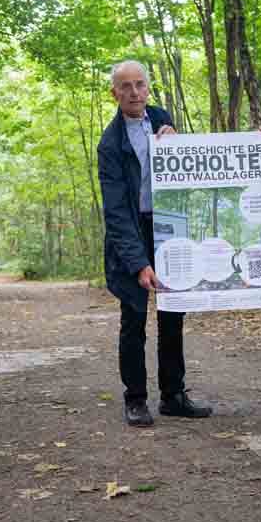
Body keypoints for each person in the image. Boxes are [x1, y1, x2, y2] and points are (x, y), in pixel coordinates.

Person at [97, 60, 213, 427]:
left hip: (167, 227)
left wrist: (177, 142)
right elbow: (115, 211)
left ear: (148, 88)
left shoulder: (162, 118)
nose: (133, 92)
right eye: (125, 86)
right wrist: (138, 263)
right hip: (130, 233)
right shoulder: (109, 144)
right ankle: (135, 399)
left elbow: (191, 169)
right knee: (133, 318)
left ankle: (173, 395)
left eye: (139, 85)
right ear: (114, 93)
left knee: (172, 314)